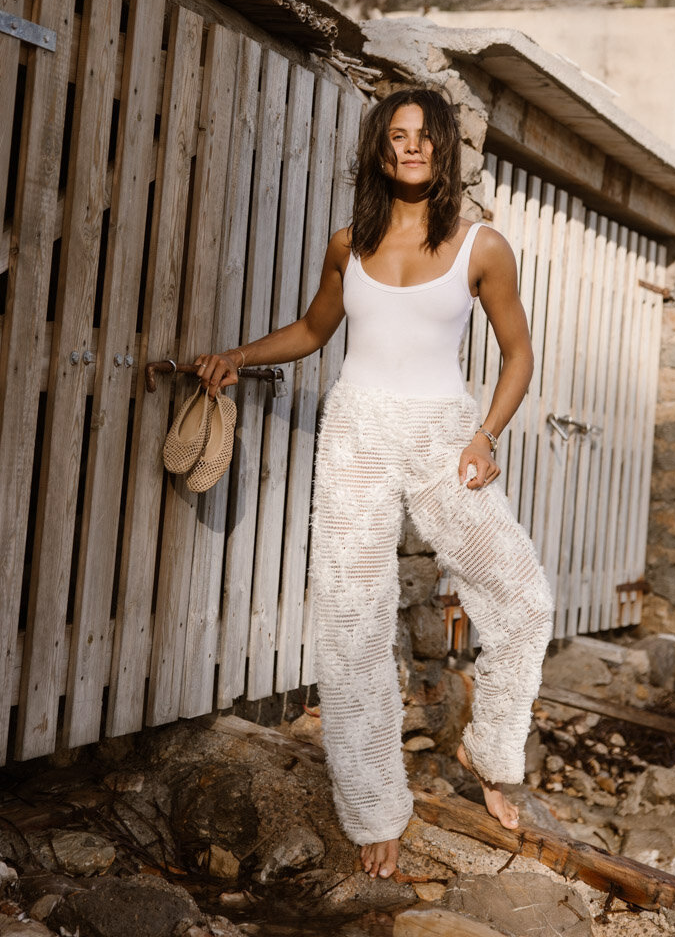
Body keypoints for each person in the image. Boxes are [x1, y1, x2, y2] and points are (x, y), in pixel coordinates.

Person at [195, 87, 553, 881]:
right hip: (355, 431)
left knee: (524, 599)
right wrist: (237, 358)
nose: (412, 148)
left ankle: (491, 752)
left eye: (425, 136)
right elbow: (314, 331)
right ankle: (374, 810)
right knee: (352, 624)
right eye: (397, 137)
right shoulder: (346, 244)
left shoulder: (481, 246)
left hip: (442, 433)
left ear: (444, 148)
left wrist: (486, 435)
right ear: (380, 151)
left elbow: (519, 354)